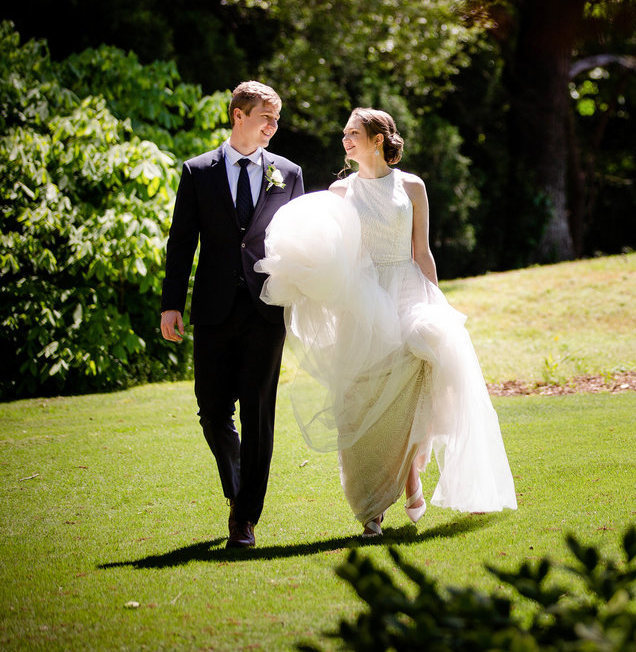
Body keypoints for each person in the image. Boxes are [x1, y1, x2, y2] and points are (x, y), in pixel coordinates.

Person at [255, 108, 516, 536]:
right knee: (362, 401)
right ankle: (373, 506)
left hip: (407, 289)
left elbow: (422, 250)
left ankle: (411, 475)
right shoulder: (339, 192)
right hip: (362, 298)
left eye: (353, 133)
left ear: (378, 139)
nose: (345, 140)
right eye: (344, 134)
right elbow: (333, 255)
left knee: (422, 366)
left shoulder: (412, 186)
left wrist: (438, 300)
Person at [160, 81, 305, 549]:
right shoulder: (198, 171)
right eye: (266, 117)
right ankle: (238, 488)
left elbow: (303, 242)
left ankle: (244, 519)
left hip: (267, 310)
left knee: (259, 414)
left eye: (277, 119)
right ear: (238, 115)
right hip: (214, 309)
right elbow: (181, 242)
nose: (273, 126)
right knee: (212, 410)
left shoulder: (288, 173)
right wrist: (171, 303)